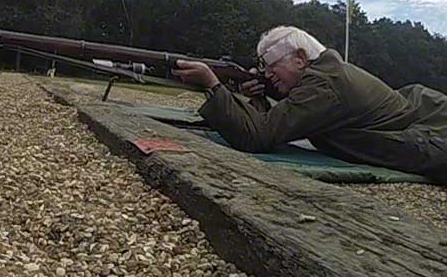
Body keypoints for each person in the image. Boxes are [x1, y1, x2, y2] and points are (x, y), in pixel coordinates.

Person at [172, 25, 447, 184]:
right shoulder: (326, 74)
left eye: (270, 67)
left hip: (434, 130)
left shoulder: (323, 85)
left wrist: (211, 84)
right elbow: (275, 126)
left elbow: (257, 136)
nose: (266, 75)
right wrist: (257, 98)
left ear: (300, 59)